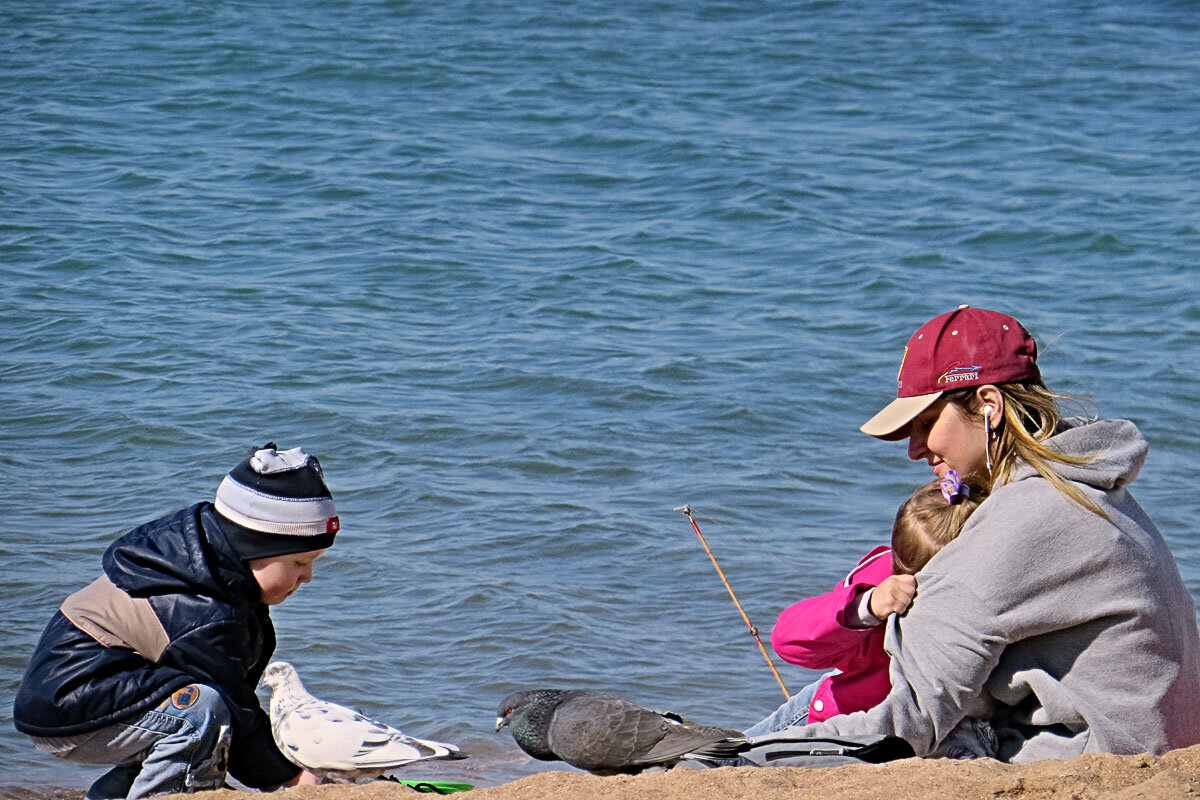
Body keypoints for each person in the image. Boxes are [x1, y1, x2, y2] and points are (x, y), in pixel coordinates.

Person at [743, 305, 1200, 764]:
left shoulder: (1025, 519)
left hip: (1092, 755)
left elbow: (909, 722)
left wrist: (737, 757)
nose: (914, 449)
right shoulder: (1095, 489)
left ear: (988, 405)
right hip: (1148, 739)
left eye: (925, 424)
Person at [13, 444, 338, 797]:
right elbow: (233, 705)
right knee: (198, 713)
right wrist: (287, 777)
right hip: (68, 701)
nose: (308, 577)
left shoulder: (207, 567)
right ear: (255, 546)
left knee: (182, 718)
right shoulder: (202, 610)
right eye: (300, 563)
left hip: (85, 694)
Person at [746, 472, 996, 759]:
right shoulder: (879, 584)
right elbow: (787, 640)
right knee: (731, 754)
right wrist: (864, 608)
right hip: (834, 711)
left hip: (934, 726)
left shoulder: (980, 604)